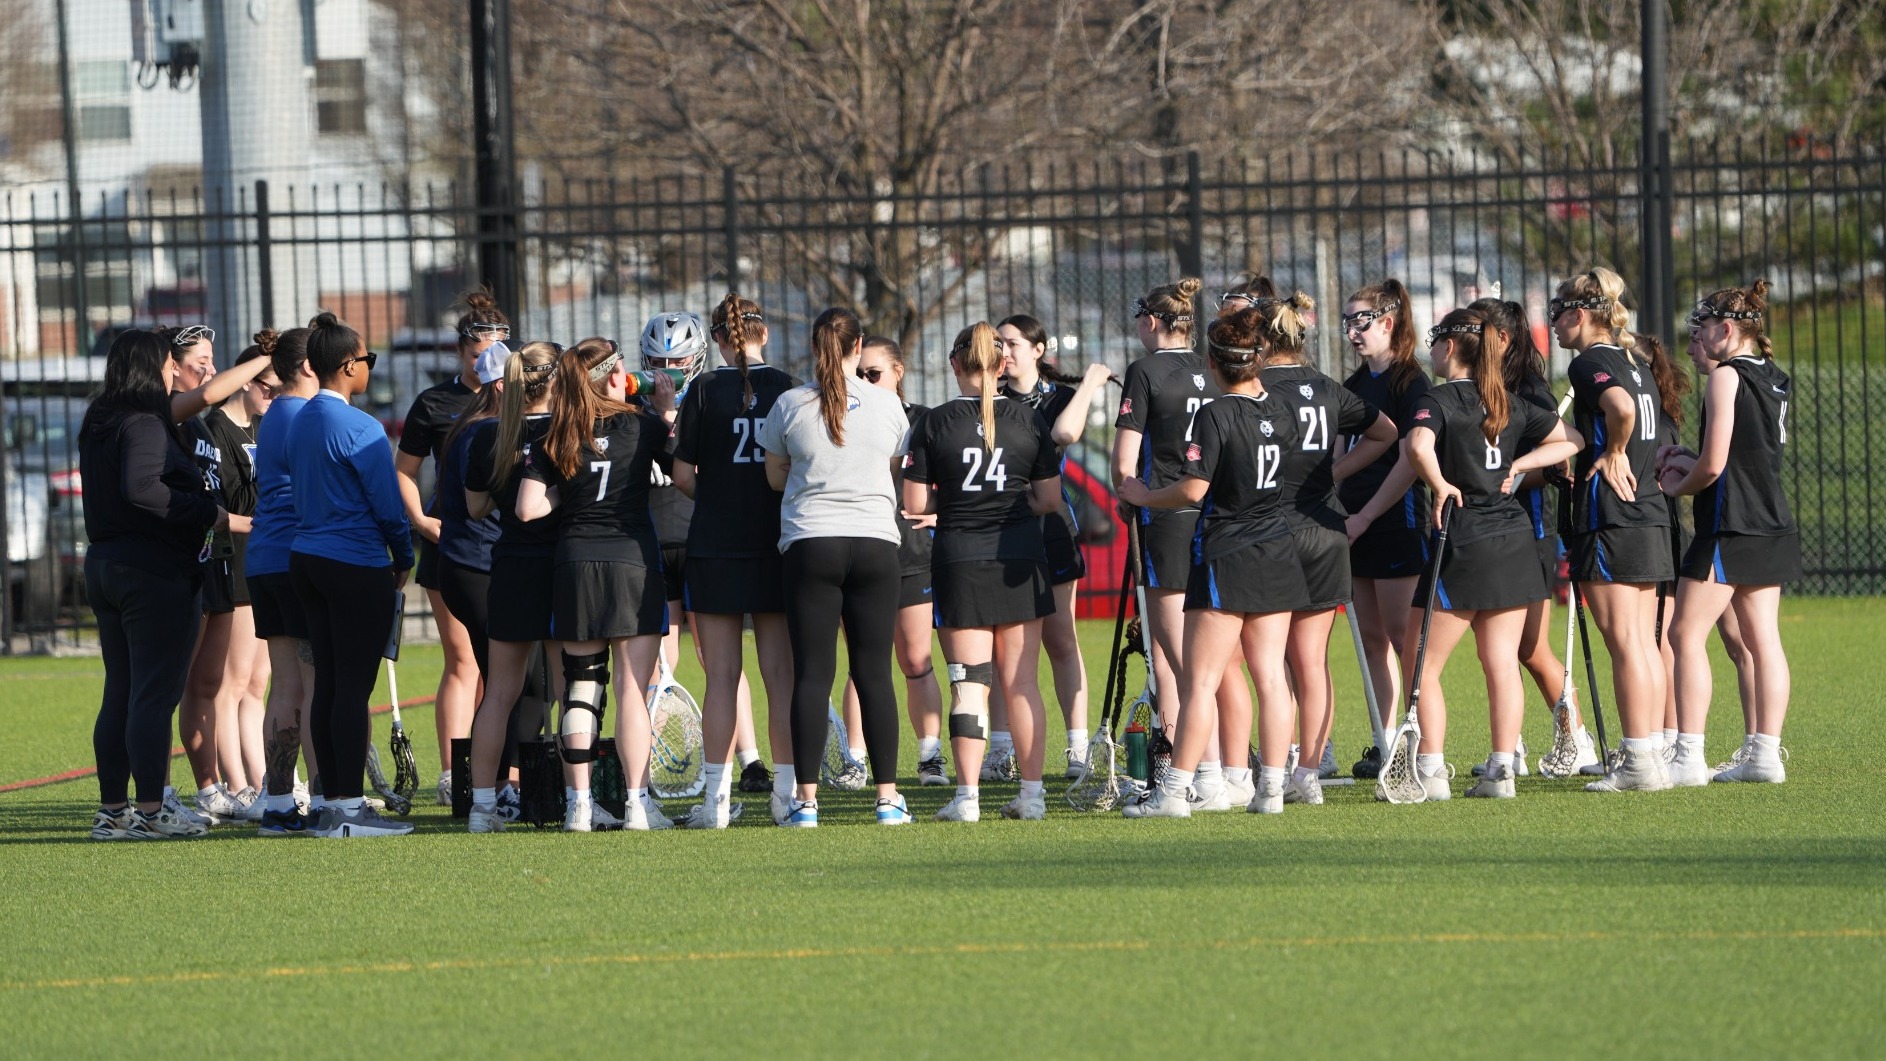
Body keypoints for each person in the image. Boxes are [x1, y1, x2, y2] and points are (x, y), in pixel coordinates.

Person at [1117, 307, 1307, 817]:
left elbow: (1196, 488)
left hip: (1228, 550)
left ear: (1213, 363)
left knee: (1199, 681)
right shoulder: (1281, 410)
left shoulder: (1217, 414)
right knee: (1270, 675)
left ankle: (1174, 792)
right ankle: (1269, 790)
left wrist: (1143, 495)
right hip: (1278, 549)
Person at [1399, 308, 1582, 800]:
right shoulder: (1509, 401)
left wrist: (1438, 483)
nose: (1431, 349)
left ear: (1451, 348)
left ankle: (1432, 770)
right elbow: (1573, 441)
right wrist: (1522, 460)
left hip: (1463, 540)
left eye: (1436, 339)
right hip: (1513, 538)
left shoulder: (1437, 399)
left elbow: (1417, 445)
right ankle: (1502, 769)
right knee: (1501, 661)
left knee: (1423, 664)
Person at [757, 307, 912, 827]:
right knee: (873, 671)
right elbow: (891, 468)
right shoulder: (887, 403)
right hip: (873, 543)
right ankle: (888, 798)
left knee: (813, 675)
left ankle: (806, 801)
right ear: (857, 345)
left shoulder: (790, 403)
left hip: (811, 543)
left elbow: (775, 477)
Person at [515, 339, 677, 832]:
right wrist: (668, 414)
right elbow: (683, 473)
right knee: (631, 688)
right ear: (611, 377)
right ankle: (636, 805)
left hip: (575, 565)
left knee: (580, 688)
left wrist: (571, 492)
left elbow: (527, 509)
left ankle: (579, 806)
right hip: (632, 565)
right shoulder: (642, 425)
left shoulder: (559, 433)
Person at [906, 322, 1063, 822]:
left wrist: (952, 500)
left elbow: (914, 502)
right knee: (1022, 684)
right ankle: (1033, 797)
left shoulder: (934, 422)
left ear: (956, 365)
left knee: (968, 683)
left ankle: (968, 798)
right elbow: (1050, 500)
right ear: (1001, 366)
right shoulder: (1029, 421)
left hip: (960, 560)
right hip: (1019, 558)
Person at [1250, 289, 1398, 804]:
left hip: (1272, 530)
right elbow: (1386, 433)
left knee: (1269, 663)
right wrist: (1333, 473)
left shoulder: (1257, 389)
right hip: (1325, 531)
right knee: (1312, 661)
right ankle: (1307, 775)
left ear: (1263, 341)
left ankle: (1271, 773)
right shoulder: (1328, 387)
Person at [80, 329, 226, 840]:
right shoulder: (144, 422)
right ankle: (148, 811)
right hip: (152, 572)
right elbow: (143, 489)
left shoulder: (100, 418)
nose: (173, 369)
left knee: (120, 690)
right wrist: (210, 513)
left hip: (106, 566)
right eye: (168, 361)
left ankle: (114, 812)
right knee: (152, 693)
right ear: (150, 366)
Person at [1111, 277, 1250, 810]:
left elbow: (1127, 464)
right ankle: (1215, 770)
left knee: (1175, 658)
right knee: (1208, 660)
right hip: (1215, 518)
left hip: (1166, 520)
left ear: (1151, 321)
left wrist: (1131, 497)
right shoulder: (1213, 366)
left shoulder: (1145, 371)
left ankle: (1202, 773)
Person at [1657, 280, 1799, 786]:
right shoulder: (1776, 376)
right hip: (1771, 522)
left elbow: (1716, 467)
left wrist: (1677, 486)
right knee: (1765, 642)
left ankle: (1689, 757)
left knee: (1683, 634)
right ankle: (1764, 756)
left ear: (1727, 329)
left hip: (1729, 525)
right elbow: (1744, 459)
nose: (1695, 341)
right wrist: (1687, 459)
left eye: (1701, 331)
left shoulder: (1726, 377)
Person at [670, 293, 800, 828]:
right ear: (762, 333)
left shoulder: (702, 389)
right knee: (781, 677)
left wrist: (721, 498)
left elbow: (681, 476)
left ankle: (715, 804)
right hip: (774, 544)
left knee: (721, 678)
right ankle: (789, 797)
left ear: (718, 341)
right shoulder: (789, 389)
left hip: (715, 547)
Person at [287, 313, 415, 838]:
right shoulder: (359, 426)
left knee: (329, 685)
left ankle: (328, 801)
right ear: (346, 365)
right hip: (355, 562)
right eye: (367, 359)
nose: (369, 367)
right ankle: (345, 806)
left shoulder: (299, 420)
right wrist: (403, 555)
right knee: (350, 689)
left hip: (307, 558)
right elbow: (388, 506)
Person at [1551, 267, 1675, 793]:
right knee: (1644, 643)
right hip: (1649, 510)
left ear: (1580, 315)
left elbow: (1619, 409)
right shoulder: (1635, 360)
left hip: (1611, 513)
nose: (1554, 325)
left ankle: (1639, 763)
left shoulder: (1591, 362)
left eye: (1557, 313)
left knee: (1624, 642)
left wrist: (1614, 450)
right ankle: (1651, 753)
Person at [1472, 297, 1600, 776]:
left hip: (1527, 531)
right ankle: (1513, 748)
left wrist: (1504, 473)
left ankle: (1578, 740)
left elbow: (1557, 463)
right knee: (1499, 649)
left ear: (1501, 339)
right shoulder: (1477, 389)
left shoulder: (1531, 394)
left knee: (1528, 649)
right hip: (1484, 533)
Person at [396, 290, 507, 804]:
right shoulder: (436, 402)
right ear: (462, 350)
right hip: (454, 544)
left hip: (509, 545)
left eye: (496, 353)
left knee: (502, 662)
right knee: (463, 659)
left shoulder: (520, 399)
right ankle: (451, 773)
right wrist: (420, 519)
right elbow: (405, 470)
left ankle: (502, 769)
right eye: (477, 352)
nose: (485, 363)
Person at [162, 324, 275, 823]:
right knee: (164, 687)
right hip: (177, 566)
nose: (208, 371)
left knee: (210, 683)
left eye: (213, 360)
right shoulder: (165, 415)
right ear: (169, 366)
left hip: (219, 562)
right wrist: (267, 357)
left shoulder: (200, 429)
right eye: (198, 361)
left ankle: (213, 789)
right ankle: (158, 794)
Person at [995, 314, 1115, 778]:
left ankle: (1077, 748)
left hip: (1049, 526)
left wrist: (1088, 384)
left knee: (1061, 640)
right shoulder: (992, 400)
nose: (1004, 353)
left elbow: (1064, 434)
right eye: (998, 345)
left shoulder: (1063, 399)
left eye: (1012, 344)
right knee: (1004, 647)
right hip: (1001, 528)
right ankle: (1001, 750)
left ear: (1038, 350)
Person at [464, 341, 564, 834]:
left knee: (498, 692)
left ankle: (482, 807)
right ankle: (577, 798)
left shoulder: (488, 436)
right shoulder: (571, 433)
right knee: (570, 690)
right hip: (562, 571)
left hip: (508, 569)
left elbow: (475, 507)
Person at [842, 336, 949, 785]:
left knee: (916, 660)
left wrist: (943, 513)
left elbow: (959, 479)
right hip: (862, 550)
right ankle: (855, 760)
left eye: (873, 374)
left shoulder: (923, 421)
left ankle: (930, 757)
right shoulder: (845, 415)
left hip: (911, 554)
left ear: (897, 373)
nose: (864, 382)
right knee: (863, 663)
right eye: (858, 374)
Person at [1336, 280, 1431, 778]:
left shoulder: (1412, 383)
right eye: (1347, 321)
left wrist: (1368, 514)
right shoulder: (1352, 388)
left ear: (1388, 323)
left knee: (1402, 636)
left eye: (1361, 321)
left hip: (1395, 520)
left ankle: (1420, 746)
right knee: (1370, 637)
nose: (1352, 331)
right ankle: (1384, 738)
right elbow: (1337, 453)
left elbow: (1412, 462)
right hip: (1354, 525)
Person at [246, 327, 322, 835]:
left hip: (266, 558)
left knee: (284, 685)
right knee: (315, 683)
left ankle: (276, 801)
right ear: (310, 367)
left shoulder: (273, 414)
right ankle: (325, 796)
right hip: (297, 558)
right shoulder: (303, 414)